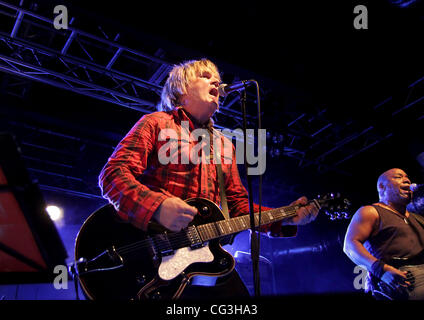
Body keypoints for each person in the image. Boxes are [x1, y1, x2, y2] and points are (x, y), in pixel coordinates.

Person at [98, 58, 319, 299]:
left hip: (205, 260)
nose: (216, 81)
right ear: (180, 89)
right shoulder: (156, 123)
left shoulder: (223, 145)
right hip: (151, 257)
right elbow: (113, 174)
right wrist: (157, 207)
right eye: (204, 76)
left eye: (216, 77)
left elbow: (237, 206)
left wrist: (285, 217)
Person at [343, 168, 424, 300]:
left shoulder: (417, 218)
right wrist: (381, 271)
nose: (407, 180)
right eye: (398, 177)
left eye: (407, 177)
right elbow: (349, 246)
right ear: (381, 186)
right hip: (399, 290)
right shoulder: (370, 212)